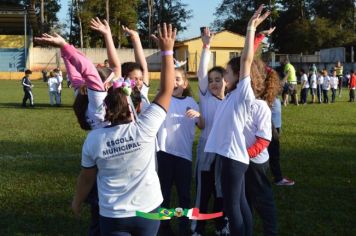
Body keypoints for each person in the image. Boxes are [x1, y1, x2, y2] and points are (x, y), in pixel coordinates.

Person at [71, 23, 177, 236]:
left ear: (105, 107)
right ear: (136, 107)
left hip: (113, 214)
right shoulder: (145, 128)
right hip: (148, 211)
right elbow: (167, 89)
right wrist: (167, 51)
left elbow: (87, 178)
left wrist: (76, 201)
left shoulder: (94, 139)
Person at [35, 18, 122, 236]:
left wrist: (64, 50)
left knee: (98, 200)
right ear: (102, 85)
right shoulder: (97, 99)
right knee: (108, 201)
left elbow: (77, 71)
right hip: (113, 151)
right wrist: (65, 45)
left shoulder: (80, 92)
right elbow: (89, 70)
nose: (111, 80)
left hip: (98, 148)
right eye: (108, 80)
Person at [204, 5, 270, 235]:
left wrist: (251, 28)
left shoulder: (243, 94)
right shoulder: (229, 96)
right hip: (232, 157)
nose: (224, 78)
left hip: (233, 159)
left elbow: (245, 60)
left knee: (233, 208)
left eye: (227, 74)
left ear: (238, 77)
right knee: (240, 204)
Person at [157, 66, 203, 236]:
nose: (173, 82)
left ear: (184, 83)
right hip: (163, 154)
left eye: (177, 79)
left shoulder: (191, 102)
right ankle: (164, 228)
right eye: (171, 78)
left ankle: (184, 227)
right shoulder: (163, 99)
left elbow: (202, 125)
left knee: (184, 196)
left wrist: (198, 114)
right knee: (164, 195)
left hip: (184, 157)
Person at [192, 27, 228, 236]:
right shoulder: (205, 97)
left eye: (218, 80)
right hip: (206, 150)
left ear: (227, 82)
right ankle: (197, 227)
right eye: (211, 80)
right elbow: (201, 72)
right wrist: (206, 47)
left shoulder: (231, 100)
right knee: (203, 191)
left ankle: (222, 224)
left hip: (224, 151)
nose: (214, 83)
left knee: (222, 191)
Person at [244, 61, 280, 236]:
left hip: (255, 161)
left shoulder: (260, 105)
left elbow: (264, 139)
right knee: (245, 198)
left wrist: (246, 154)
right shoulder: (238, 100)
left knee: (262, 198)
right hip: (241, 160)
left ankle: (270, 231)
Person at [121, 25, 151, 112]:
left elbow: (143, 67)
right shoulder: (120, 96)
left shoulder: (142, 91)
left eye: (141, 79)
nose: (139, 82)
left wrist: (135, 37)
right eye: (135, 78)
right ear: (124, 78)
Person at [268, 97, 295, 186]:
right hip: (271, 127)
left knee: (273, 153)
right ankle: (278, 178)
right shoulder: (267, 95)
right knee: (274, 154)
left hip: (275, 126)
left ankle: (276, 176)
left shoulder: (273, 95)